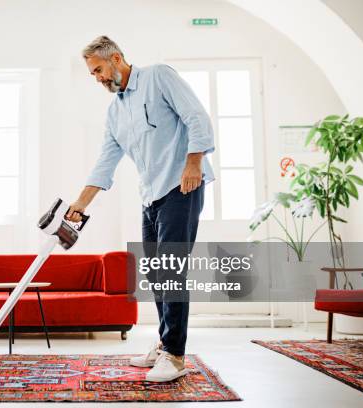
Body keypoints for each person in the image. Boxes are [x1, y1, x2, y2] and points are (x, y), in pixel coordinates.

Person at [65, 35, 215, 382]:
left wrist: (194, 163)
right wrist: (79, 204)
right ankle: (165, 343)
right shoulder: (115, 111)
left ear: (116, 59)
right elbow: (106, 161)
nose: (98, 78)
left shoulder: (157, 77)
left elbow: (196, 116)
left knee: (171, 270)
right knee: (155, 274)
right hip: (150, 197)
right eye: (92, 74)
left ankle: (175, 356)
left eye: (99, 70)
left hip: (182, 185)